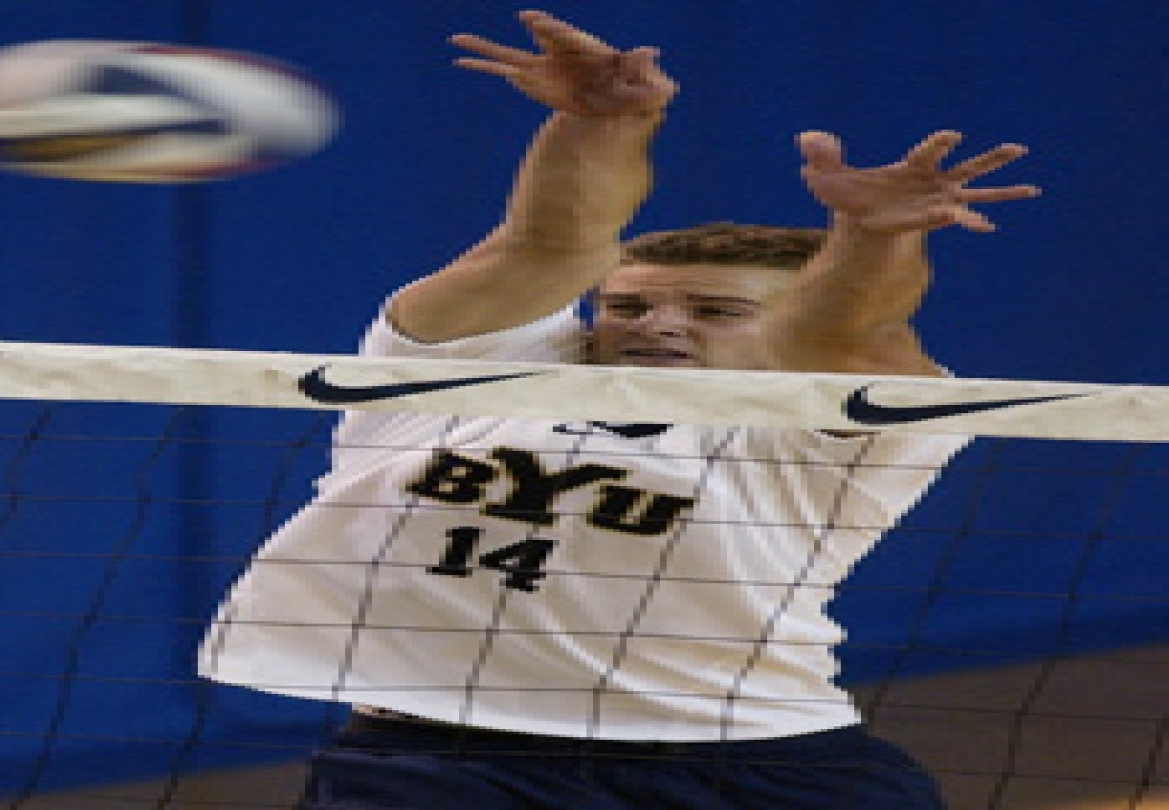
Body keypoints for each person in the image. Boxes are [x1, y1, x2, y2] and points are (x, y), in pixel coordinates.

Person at [201, 10, 1039, 809]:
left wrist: (875, 238)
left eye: (716, 311)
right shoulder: (477, 371)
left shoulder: (819, 425)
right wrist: (601, 124)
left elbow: (849, 326)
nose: (662, 323)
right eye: (631, 307)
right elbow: (549, 245)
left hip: (750, 757)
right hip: (442, 756)